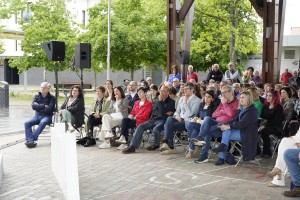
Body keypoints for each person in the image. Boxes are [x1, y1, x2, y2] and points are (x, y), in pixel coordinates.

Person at [193, 85, 239, 164]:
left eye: (224, 92)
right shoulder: (222, 102)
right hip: (216, 123)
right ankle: (200, 137)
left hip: (225, 126)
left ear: (231, 92)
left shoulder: (236, 102)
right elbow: (214, 114)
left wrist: (224, 105)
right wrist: (223, 112)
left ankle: (203, 156)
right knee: (207, 118)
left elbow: (231, 114)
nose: (223, 95)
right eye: (222, 93)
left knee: (207, 131)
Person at [122, 86, 176, 153]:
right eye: (161, 91)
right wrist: (161, 110)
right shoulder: (156, 101)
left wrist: (160, 102)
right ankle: (132, 146)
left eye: (164, 91)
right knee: (140, 126)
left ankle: (156, 144)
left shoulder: (171, 102)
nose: (162, 93)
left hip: (162, 120)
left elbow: (161, 113)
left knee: (156, 128)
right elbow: (154, 111)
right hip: (153, 119)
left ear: (168, 93)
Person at [212, 91, 258, 165]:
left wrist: (228, 126)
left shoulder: (252, 111)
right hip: (241, 131)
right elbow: (234, 120)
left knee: (226, 132)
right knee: (226, 131)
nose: (241, 99)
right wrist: (225, 124)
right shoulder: (242, 109)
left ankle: (221, 155)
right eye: (240, 98)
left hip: (247, 134)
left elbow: (242, 123)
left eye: (243, 98)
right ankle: (222, 150)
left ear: (249, 99)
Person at [160, 82, 201, 155]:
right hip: (179, 119)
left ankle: (170, 146)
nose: (184, 90)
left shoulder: (197, 100)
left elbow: (191, 114)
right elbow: (177, 111)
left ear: (192, 90)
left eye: (186, 89)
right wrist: (177, 116)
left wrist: (185, 103)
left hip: (187, 122)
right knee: (169, 118)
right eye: (184, 89)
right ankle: (168, 144)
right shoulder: (181, 98)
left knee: (167, 125)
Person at [185, 90, 218, 158]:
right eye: (205, 96)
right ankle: (193, 148)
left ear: (212, 98)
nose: (206, 98)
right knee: (194, 130)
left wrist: (201, 120)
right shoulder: (201, 104)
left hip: (206, 125)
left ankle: (191, 148)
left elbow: (210, 117)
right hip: (199, 124)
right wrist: (195, 117)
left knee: (191, 125)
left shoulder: (214, 106)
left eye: (208, 97)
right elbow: (197, 114)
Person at [24, 82, 55, 148]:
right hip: (37, 116)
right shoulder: (36, 96)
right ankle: (30, 141)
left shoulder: (52, 98)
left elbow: (49, 109)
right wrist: (44, 106)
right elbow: (33, 106)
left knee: (43, 122)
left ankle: (31, 139)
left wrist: (38, 106)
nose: (42, 89)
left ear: (48, 89)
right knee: (27, 123)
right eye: (41, 87)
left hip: (47, 116)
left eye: (44, 88)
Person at [258, 89, 284, 158]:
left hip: (276, 127)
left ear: (275, 97)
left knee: (264, 131)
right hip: (266, 125)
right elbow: (262, 118)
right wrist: (261, 125)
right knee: (253, 128)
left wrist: (264, 126)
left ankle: (267, 152)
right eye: (267, 96)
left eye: (270, 96)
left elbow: (276, 121)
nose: (268, 97)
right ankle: (256, 149)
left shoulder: (279, 107)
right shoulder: (265, 106)